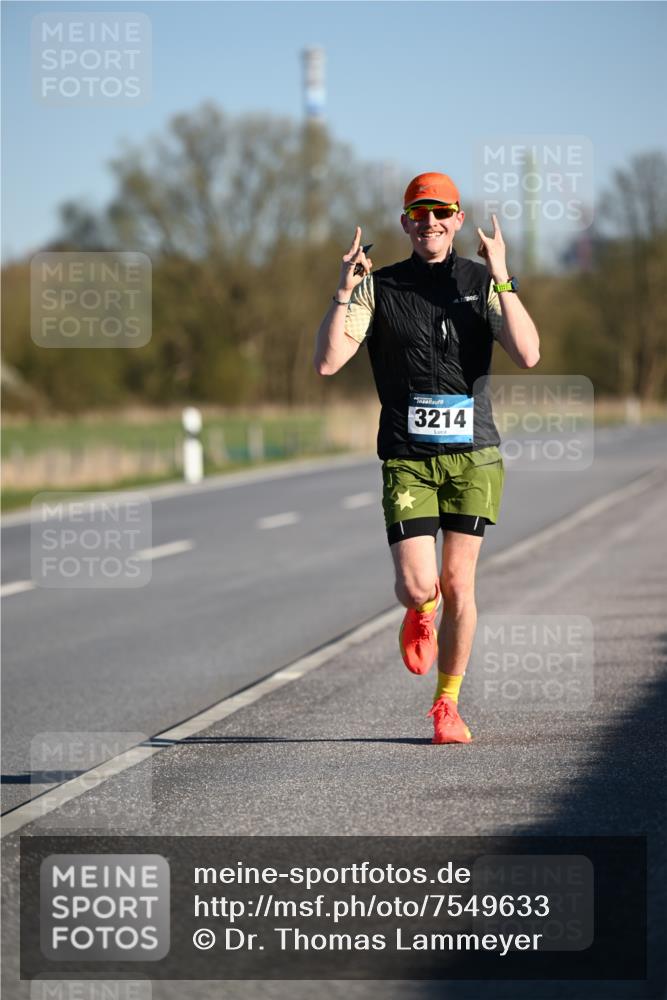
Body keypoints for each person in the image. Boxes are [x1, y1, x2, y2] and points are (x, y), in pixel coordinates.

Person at [314, 172, 540, 744]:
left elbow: (528, 353)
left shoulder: (481, 283)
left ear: (458, 219)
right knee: (420, 585)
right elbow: (328, 361)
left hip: (473, 456)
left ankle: (447, 704)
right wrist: (343, 291)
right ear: (405, 223)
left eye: (441, 213)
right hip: (408, 456)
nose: (430, 223)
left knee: (459, 583)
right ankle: (420, 610)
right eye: (419, 214)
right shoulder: (381, 287)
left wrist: (502, 274)